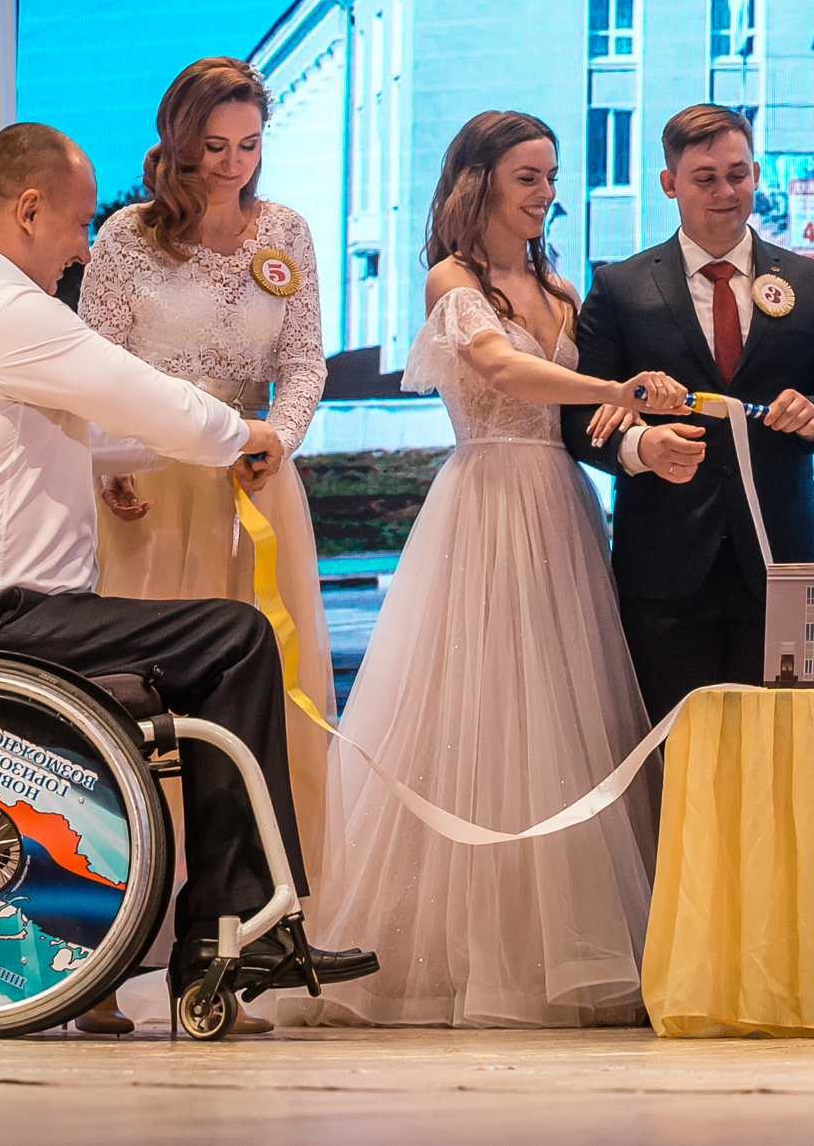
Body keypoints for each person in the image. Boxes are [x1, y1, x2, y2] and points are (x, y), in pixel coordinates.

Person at [0, 124, 375, 1026]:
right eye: (71, 224)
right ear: (28, 210)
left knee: (206, 639)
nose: (80, 245)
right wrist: (242, 435)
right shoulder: (3, 312)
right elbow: (138, 392)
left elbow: (107, 433)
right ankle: (225, 927)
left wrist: (212, 447)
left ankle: (208, 927)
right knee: (234, 636)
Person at [287, 111, 688, 1027]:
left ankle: (550, 941)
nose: (547, 192)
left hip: (558, 505)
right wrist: (613, 388)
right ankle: (454, 952)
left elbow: (583, 413)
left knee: (561, 711)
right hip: (485, 502)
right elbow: (504, 374)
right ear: (480, 182)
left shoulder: (557, 283)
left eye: (551, 175)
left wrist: (643, 413)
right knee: (477, 712)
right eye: (528, 177)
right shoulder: (452, 278)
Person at [78, 60, 337, 1026]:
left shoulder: (288, 233)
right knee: (138, 717)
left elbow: (304, 359)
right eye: (214, 146)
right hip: (148, 485)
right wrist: (109, 462)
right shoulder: (126, 236)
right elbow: (92, 364)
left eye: (250, 144)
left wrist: (283, 436)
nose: (232, 165)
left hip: (253, 483)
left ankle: (230, 946)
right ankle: (101, 961)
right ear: (180, 141)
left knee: (263, 709)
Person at [564, 105, 814, 717]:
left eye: (737, 174)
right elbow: (578, 422)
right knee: (674, 761)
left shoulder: (813, 285)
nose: (725, 192)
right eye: (704, 178)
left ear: (757, 173)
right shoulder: (621, 288)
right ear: (669, 184)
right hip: (663, 570)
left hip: (779, 566)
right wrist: (639, 451)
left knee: (777, 763)